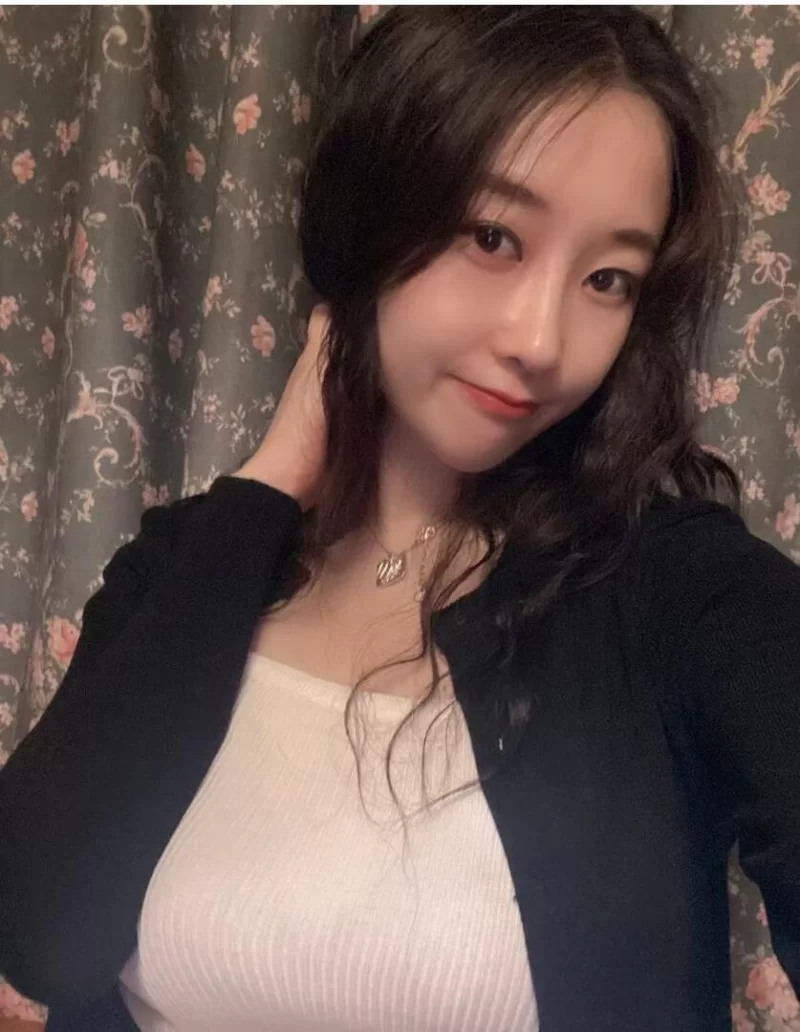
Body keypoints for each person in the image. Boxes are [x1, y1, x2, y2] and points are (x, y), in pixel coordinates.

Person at [1, 6, 799, 1031]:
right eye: (492, 237)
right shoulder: (189, 565)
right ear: (369, 223)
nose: (541, 339)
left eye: (607, 279)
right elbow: (44, 936)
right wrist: (268, 483)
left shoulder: (672, 591)